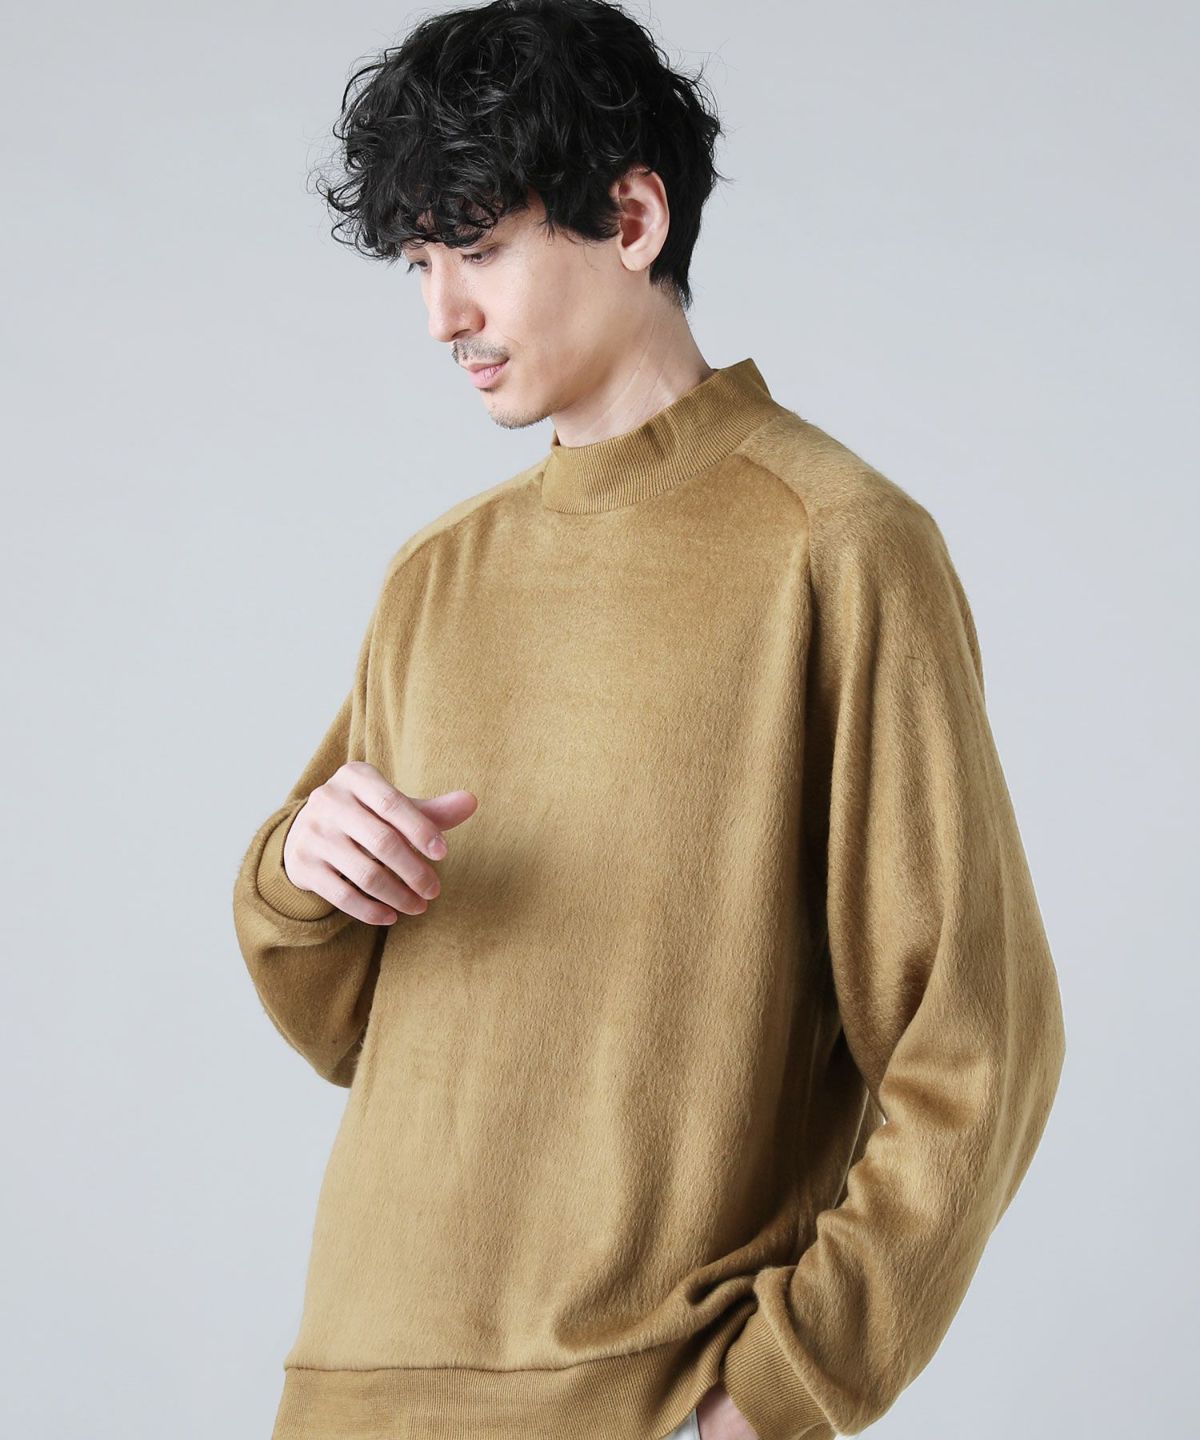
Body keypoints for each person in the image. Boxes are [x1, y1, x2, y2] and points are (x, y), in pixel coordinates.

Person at [231, 3, 1067, 1438]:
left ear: (630, 217)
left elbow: (978, 1044)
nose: (440, 317)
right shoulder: (437, 574)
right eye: (420, 264)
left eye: (478, 249)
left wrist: (775, 1395)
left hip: (639, 1395)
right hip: (349, 1386)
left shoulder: (835, 544)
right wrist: (304, 870)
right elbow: (349, 1022)